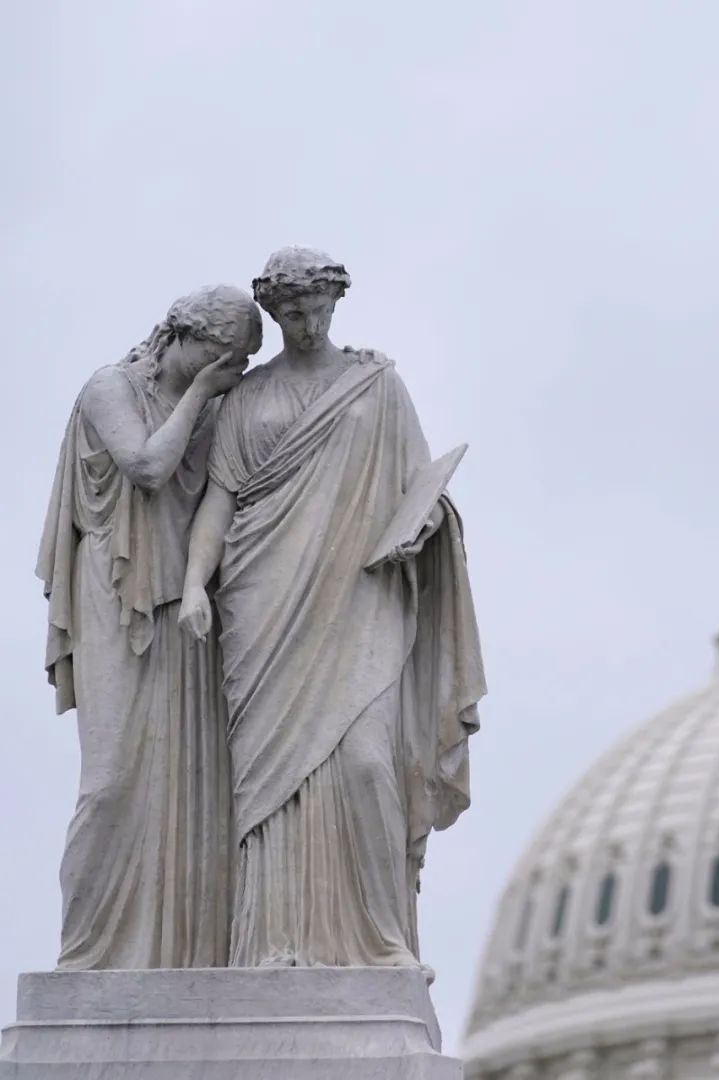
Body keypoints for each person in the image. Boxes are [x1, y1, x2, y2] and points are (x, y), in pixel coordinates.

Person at [180, 246, 485, 969]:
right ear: (274, 314)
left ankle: (380, 941)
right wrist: (196, 583)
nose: (307, 321)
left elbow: (422, 488)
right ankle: (272, 943)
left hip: (359, 596)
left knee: (367, 765)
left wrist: (425, 525)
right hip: (263, 604)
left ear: (336, 304)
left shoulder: (377, 388)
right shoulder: (246, 398)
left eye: (317, 308)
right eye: (291, 312)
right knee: (268, 784)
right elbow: (218, 502)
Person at [37, 284, 262, 969]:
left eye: (244, 363)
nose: (234, 373)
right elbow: (146, 467)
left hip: (187, 610)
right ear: (181, 337)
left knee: (189, 789)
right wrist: (201, 395)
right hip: (115, 595)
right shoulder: (111, 387)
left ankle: (182, 957)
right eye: (224, 356)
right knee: (110, 782)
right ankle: (87, 954)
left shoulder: (221, 406)